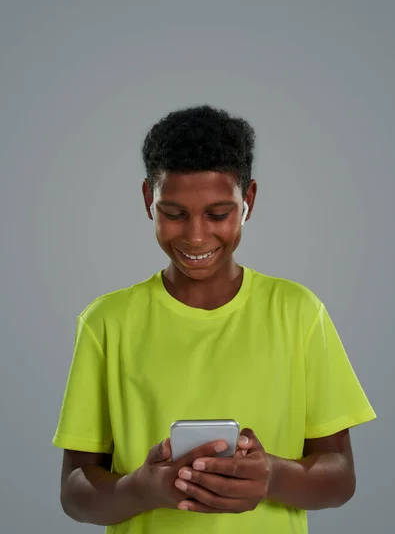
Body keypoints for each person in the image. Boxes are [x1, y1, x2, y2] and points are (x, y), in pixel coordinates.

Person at [53, 105, 376, 534]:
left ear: (249, 202)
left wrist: (273, 476)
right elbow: (76, 491)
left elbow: (340, 477)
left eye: (218, 214)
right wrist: (142, 489)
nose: (197, 236)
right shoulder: (106, 322)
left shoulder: (298, 312)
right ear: (150, 201)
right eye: (174, 213)